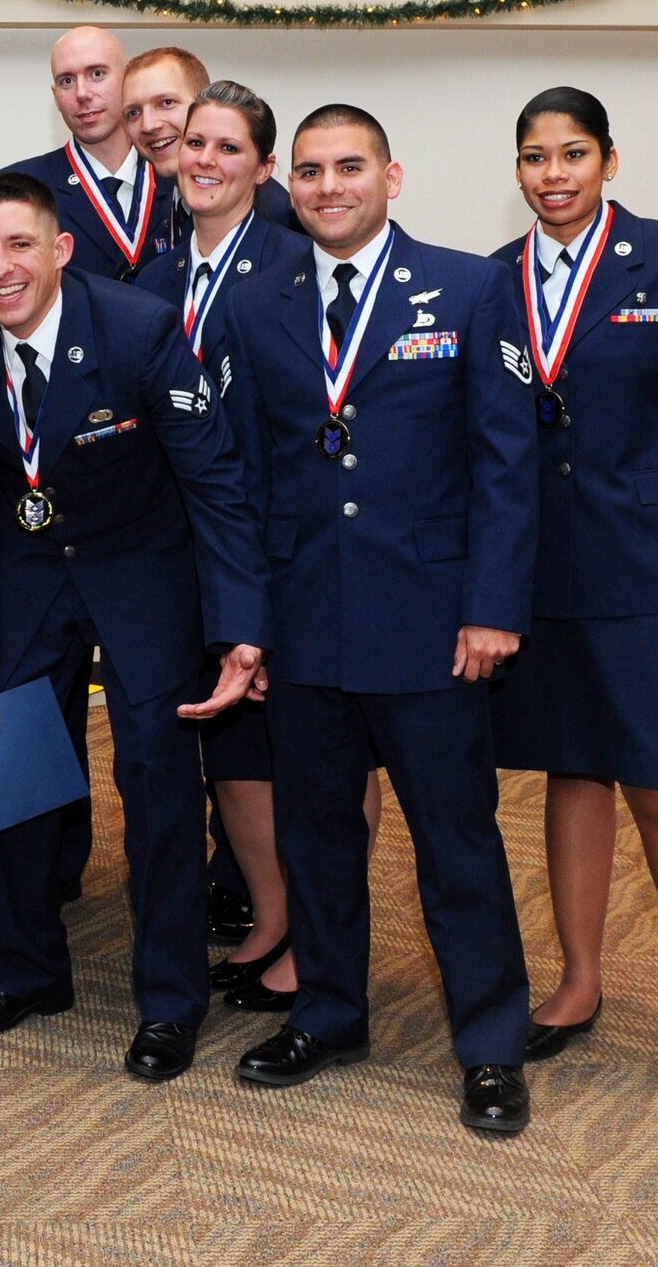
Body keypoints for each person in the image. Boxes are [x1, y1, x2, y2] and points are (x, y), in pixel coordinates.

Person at [215, 103, 538, 1134]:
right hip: (305, 622)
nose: (325, 187)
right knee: (316, 837)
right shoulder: (257, 296)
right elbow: (245, 478)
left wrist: (491, 607)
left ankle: (489, 1046)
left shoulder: (469, 286)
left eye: (346, 167)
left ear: (389, 176)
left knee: (454, 844)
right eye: (307, 171)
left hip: (432, 625)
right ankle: (328, 1012)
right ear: (287, 183)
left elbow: (505, 462)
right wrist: (247, 625)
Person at [0, 172, 270, 1081]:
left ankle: (171, 1000)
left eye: (20, 245)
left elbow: (215, 482)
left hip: (140, 566)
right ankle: (30, 968)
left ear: (60, 249)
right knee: (6, 771)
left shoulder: (139, 330)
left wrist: (240, 625)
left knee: (155, 783)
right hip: (24, 572)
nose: (1, 268)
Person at [488, 86, 658, 1107]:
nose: (550, 174)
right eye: (532, 157)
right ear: (516, 170)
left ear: (607, 160)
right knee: (570, 769)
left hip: (651, 568)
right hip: (541, 569)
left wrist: (647, 492)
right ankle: (577, 981)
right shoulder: (493, 279)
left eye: (570, 154)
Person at [138, 81, 355, 1016]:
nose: (205, 161)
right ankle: (271, 920)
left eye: (228, 148)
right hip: (174, 550)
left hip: (277, 546)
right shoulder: (149, 278)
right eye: (193, 143)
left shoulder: (299, 265)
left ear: (264, 169)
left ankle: (321, 932)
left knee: (308, 757)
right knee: (227, 752)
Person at [0, 27, 177, 283]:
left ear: (127, 79)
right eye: (67, 81)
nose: (81, 93)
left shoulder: (179, 177)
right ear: (56, 97)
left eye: (97, 74)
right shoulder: (19, 187)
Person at [121, 47, 299, 254]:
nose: (148, 125)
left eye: (166, 103)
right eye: (133, 113)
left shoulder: (279, 216)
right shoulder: (150, 196)